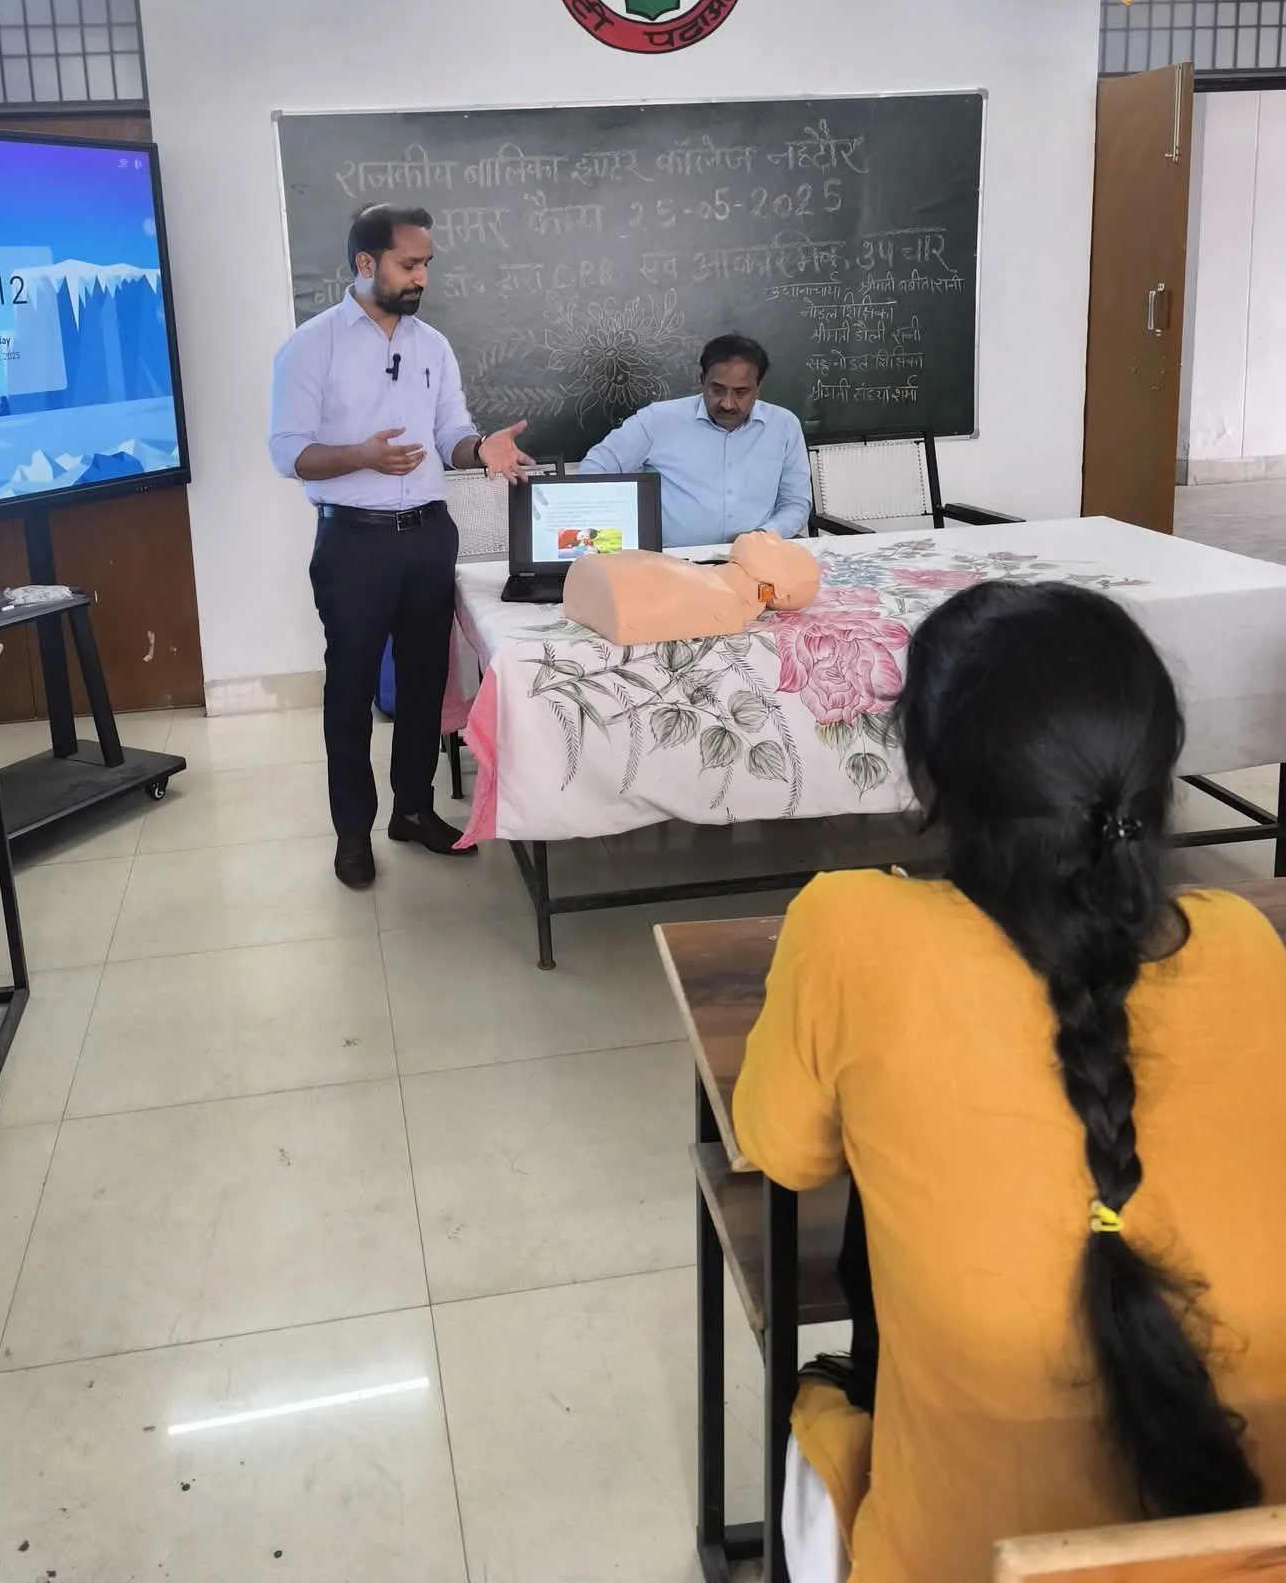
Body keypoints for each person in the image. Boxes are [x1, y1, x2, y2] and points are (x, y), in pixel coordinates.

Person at [732, 581, 1286, 1582]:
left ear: (933, 779)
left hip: (951, 1560)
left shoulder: (850, 931)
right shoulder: (1250, 946)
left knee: (828, 1383)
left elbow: (780, 1146)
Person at [269, 204, 532, 891]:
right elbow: (287, 453)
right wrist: (358, 455)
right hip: (353, 542)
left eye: (425, 265)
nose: (421, 277)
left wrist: (482, 450)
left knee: (424, 685)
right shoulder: (312, 346)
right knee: (350, 693)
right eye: (408, 264)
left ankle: (412, 809)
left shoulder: (431, 346)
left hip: (426, 536)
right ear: (366, 265)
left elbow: (452, 432)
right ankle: (352, 833)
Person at [578, 333, 810, 549]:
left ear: (758, 389)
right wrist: (617, 530)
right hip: (673, 562)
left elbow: (796, 504)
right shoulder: (658, 420)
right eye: (717, 390)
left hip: (755, 558)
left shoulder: (784, 426)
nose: (728, 404)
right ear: (702, 381)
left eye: (740, 392)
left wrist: (762, 536)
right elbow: (595, 468)